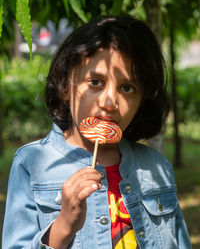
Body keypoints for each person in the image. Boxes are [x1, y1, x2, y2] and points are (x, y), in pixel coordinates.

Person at [2, 15, 192, 249]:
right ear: (64, 86)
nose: (110, 102)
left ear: (142, 100)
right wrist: (64, 226)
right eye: (95, 82)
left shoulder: (156, 167)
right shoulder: (31, 164)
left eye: (127, 87)